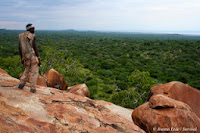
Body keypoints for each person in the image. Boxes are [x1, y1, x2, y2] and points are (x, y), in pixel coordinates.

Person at [18, 24, 41, 93]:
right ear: (30, 29)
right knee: (34, 72)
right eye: (33, 28)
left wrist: (22, 58)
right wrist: (38, 58)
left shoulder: (20, 36)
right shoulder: (32, 36)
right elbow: (35, 47)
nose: (34, 30)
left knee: (26, 70)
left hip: (25, 56)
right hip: (32, 56)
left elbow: (20, 48)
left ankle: (21, 84)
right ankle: (33, 88)